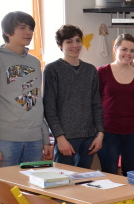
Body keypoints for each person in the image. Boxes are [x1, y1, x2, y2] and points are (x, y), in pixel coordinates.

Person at [0, 11, 51, 168]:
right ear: (7, 32)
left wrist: (45, 139)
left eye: (31, 28)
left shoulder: (34, 62)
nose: (28, 32)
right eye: (22, 28)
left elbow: (36, 103)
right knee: (4, 184)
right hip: (5, 140)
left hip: (34, 140)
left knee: (32, 184)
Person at [97, 33, 134, 204]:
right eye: (124, 49)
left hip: (132, 132)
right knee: (110, 172)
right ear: (115, 49)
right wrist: (98, 131)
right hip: (108, 132)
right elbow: (96, 103)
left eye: (132, 50)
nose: (128, 54)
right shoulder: (102, 72)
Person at [43, 24, 104, 168]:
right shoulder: (52, 70)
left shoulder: (90, 70)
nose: (75, 45)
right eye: (69, 42)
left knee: (84, 179)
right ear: (60, 45)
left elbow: (96, 105)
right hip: (66, 139)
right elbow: (49, 108)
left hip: (89, 138)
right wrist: (60, 137)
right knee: (62, 179)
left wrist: (100, 134)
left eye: (78, 40)